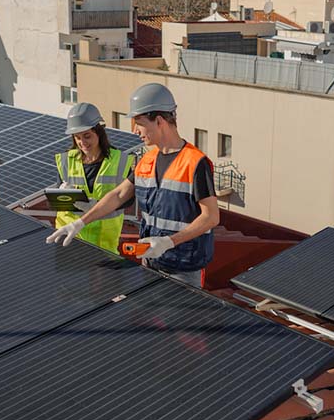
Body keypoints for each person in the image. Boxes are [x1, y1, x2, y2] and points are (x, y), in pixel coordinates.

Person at [46, 84, 219, 288]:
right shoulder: (147, 160)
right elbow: (119, 195)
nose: (135, 130)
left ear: (160, 121)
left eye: (139, 123)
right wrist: (80, 222)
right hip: (149, 259)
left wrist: (169, 241)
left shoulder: (195, 162)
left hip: (183, 267)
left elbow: (211, 217)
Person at [52, 102, 133, 253]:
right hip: (70, 241)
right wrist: (61, 194)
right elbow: (58, 201)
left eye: (87, 136)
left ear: (99, 132)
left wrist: (98, 206)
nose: (82, 142)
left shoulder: (120, 161)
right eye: (77, 137)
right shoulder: (65, 161)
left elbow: (129, 199)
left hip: (103, 242)